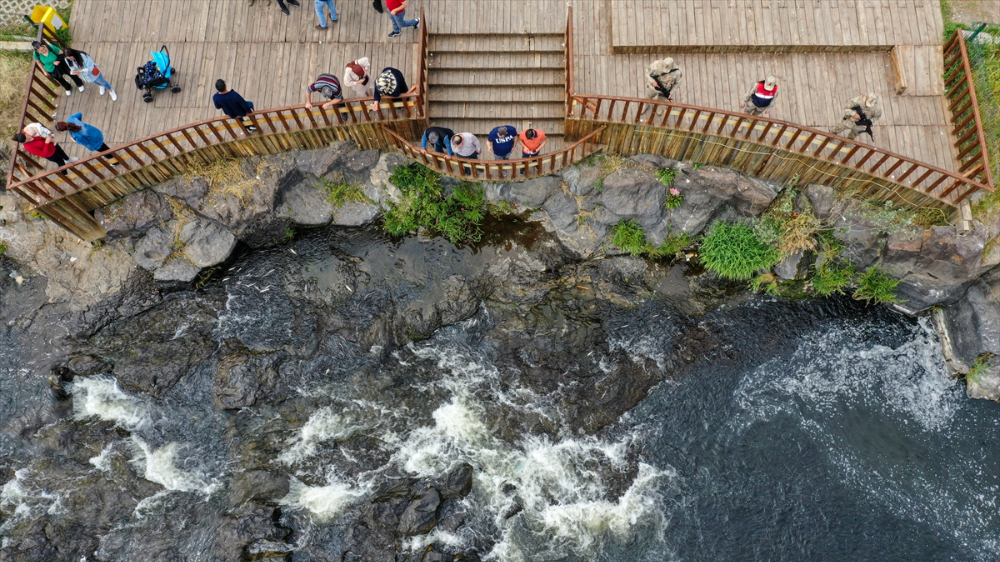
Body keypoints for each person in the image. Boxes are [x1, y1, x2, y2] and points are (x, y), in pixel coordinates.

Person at [13, 123, 78, 173]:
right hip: (51, 154)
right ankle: (65, 173)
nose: (30, 137)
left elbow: (37, 127)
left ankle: (68, 160)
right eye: (28, 139)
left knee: (62, 152)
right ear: (24, 142)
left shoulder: (27, 132)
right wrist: (46, 143)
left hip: (53, 144)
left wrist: (47, 135)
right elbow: (43, 154)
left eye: (27, 135)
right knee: (60, 162)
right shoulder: (29, 147)